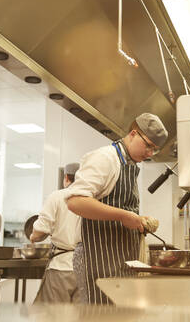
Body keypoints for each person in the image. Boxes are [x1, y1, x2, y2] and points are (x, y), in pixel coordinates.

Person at [65, 112, 167, 305]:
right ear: (133, 134)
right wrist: (123, 216)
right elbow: (76, 201)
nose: (149, 154)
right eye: (148, 146)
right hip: (97, 258)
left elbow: (118, 207)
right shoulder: (105, 158)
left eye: (155, 150)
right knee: (99, 316)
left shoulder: (128, 164)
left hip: (120, 259)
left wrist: (137, 219)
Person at [30, 162, 83, 304]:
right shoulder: (93, 199)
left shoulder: (57, 196)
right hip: (85, 268)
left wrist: (33, 236)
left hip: (61, 267)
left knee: (53, 316)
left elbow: (39, 232)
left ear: (66, 178)